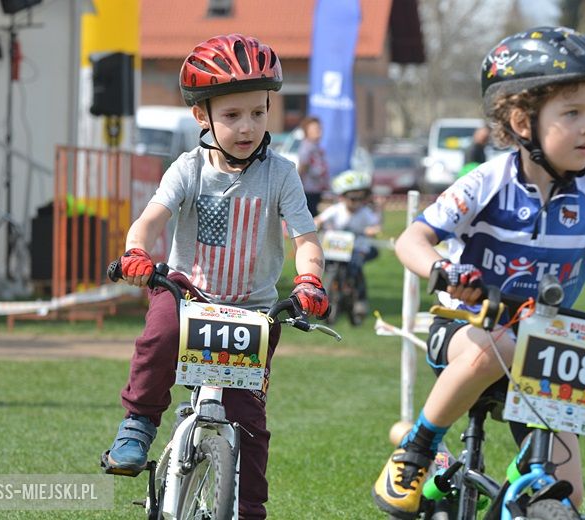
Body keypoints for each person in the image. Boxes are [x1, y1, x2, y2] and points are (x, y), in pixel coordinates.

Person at [371, 26, 585, 519]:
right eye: (572, 114)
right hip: (466, 330)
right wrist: (442, 269)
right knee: (496, 345)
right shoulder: (488, 180)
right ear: (522, 121)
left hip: (547, 349)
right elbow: (411, 240)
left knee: (568, 494)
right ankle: (418, 449)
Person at [101, 34, 329, 519]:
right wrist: (136, 252)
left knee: (249, 423)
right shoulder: (186, 169)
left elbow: (305, 240)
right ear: (201, 116)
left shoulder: (283, 175)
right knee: (160, 333)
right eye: (231, 115)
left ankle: (247, 509)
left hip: (253, 309)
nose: (247, 127)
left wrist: (309, 281)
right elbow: (150, 219)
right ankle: (139, 423)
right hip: (189, 294)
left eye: (257, 112)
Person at [314, 169, 382, 318]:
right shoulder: (336, 210)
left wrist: (372, 230)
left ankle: (360, 300)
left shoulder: (365, 213)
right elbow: (320, 219)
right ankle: (328, 293)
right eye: (351, 198)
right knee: (325, 265)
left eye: (359, 198)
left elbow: (375, 225)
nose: (355, 202)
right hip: (336, 247)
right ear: (342, 198)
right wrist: (317, 223)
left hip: (357, 248)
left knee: (356, 268)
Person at [297, 116, 330, 216]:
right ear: (307, 131)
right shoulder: (307, 148)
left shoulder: (317, 147)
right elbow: (303, 167)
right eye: (315, 129)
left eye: (320, 128)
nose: (319, 131)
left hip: (318, 190)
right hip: (309, 191)